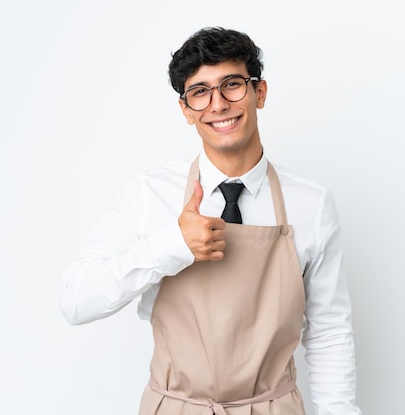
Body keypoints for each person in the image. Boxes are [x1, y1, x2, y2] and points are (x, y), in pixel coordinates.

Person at [60, 26, 361, 415]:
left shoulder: (311, 204)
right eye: (200, 92)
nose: (217, 104)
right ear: (186, 110)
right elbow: (76, 302)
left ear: (260, 92)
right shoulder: (150, 195)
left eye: (232, 84)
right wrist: (171, 245)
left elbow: (330, 333)